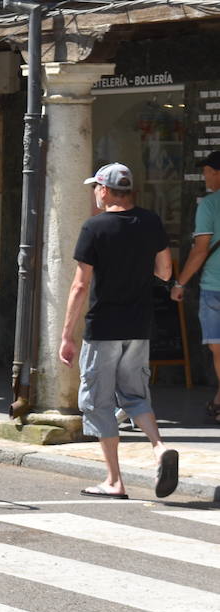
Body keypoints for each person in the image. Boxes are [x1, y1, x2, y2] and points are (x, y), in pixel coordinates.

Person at [60, 162, 178, 499]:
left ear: (106, 190)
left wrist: (67, 335)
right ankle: (159, 448)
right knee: (136, 395)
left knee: (98, 401)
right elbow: (165, 271)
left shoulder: (94, 228)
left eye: (96, 187)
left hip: (104, 328)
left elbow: (80, 286)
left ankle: (114, 480)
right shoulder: (151, 221)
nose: (95, 193)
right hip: (139, 326)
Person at [171, 150, 220, 424]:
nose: (204, 176)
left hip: (216, 286)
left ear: (217, 173)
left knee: (218, 348)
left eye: (207, 171)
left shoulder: (210, 205)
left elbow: (200, 251)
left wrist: (180, 283)